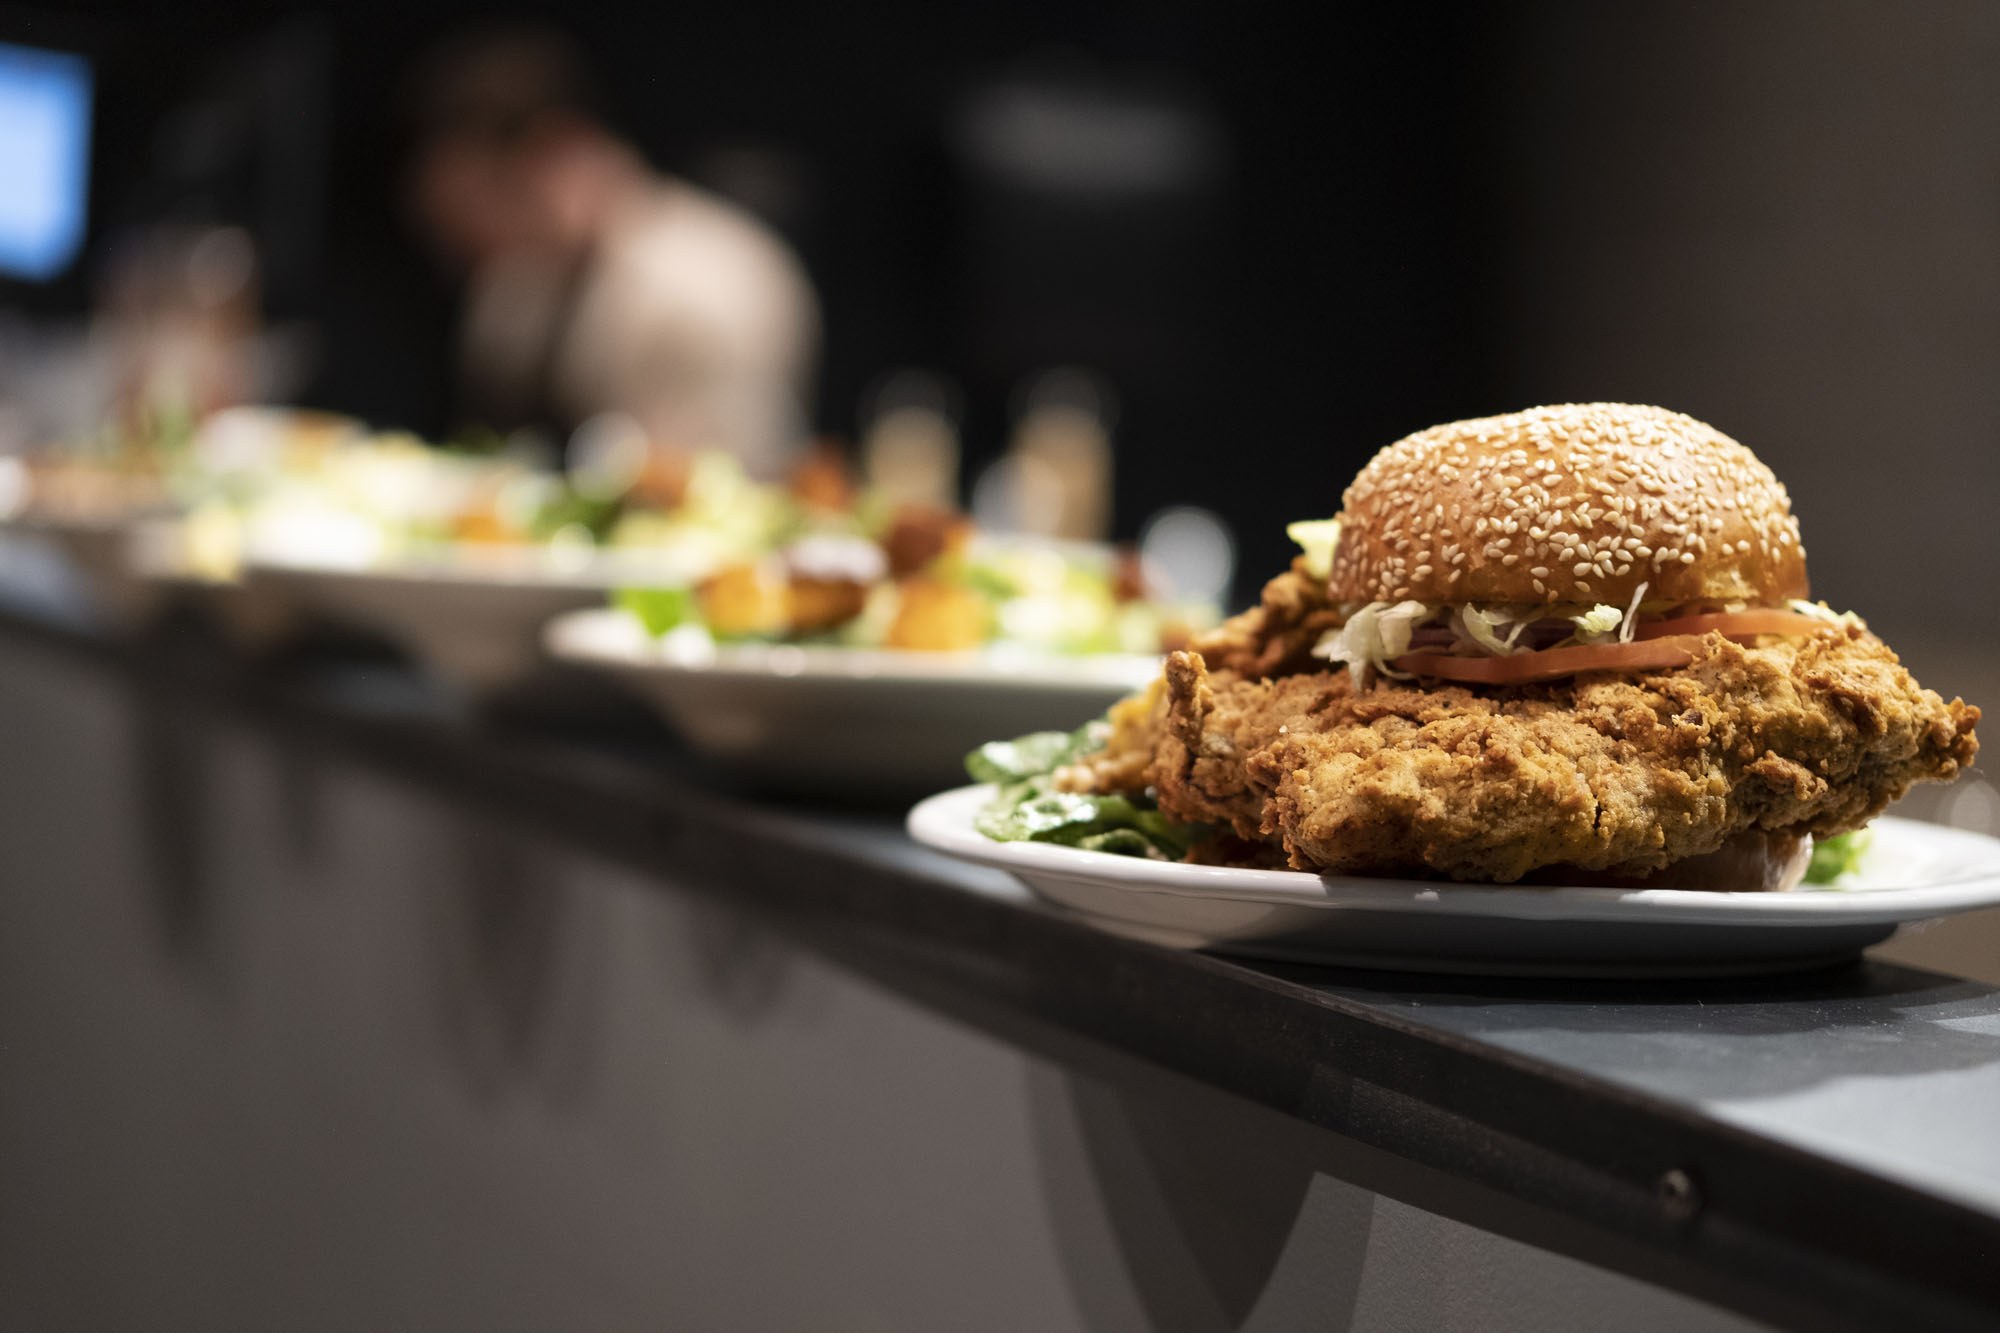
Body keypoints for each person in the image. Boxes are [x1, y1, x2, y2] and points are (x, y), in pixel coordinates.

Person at [406, 28, 820, 476]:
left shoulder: (704, 285)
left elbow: (714, 496)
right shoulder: (516, 286)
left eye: (474, 206)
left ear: (558, 152)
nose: (462, 245)